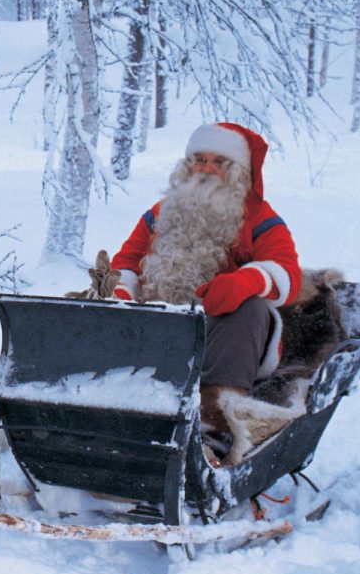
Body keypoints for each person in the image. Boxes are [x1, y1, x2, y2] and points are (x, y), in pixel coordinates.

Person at [110, 123, 301, 459]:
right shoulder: (160, 214)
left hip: (224, 334)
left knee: (250, 308)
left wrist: (248, 280)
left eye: (220, 162)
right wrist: (122, 289)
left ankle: (213, 426)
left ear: (238, 171)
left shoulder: (259, 219)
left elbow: (287, 272)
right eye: (200, 160)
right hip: (162, 326)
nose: (208, 169)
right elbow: (125, 262)